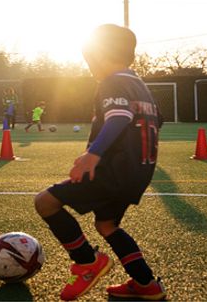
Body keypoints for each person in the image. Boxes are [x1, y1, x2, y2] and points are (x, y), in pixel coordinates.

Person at [33, 24, 167, 301]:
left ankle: (86, 263)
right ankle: (146, 284)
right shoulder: (139, 84)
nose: (89, 65)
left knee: (45, 202)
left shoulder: (112, 82)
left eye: (89, 58)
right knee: (107, 225)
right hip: (138, 171)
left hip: (114, 169)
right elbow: (157, 121)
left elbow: (119, 117)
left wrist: (94, 153)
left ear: (100, 55)